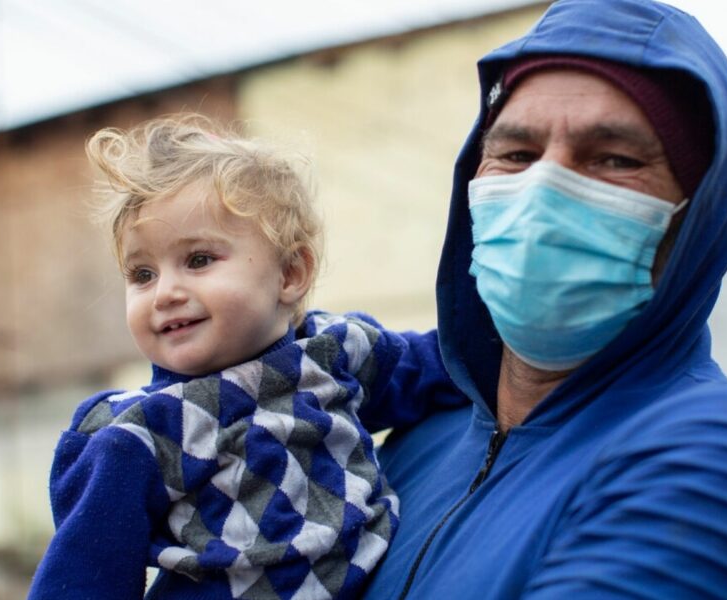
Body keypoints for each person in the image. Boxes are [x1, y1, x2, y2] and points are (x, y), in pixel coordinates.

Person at [360, 0, 727, 598]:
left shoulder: (715, 461)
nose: (542, 190)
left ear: (700, 220)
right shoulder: (419, 437)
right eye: (517, 155)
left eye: (616, 160)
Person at [28, 116, 457, 600]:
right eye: (142, 273)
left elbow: (451, 364)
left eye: (198, 260)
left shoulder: (336, 354)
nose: (165, 292)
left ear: (291, 273)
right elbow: (83, 576)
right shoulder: (144, 434)